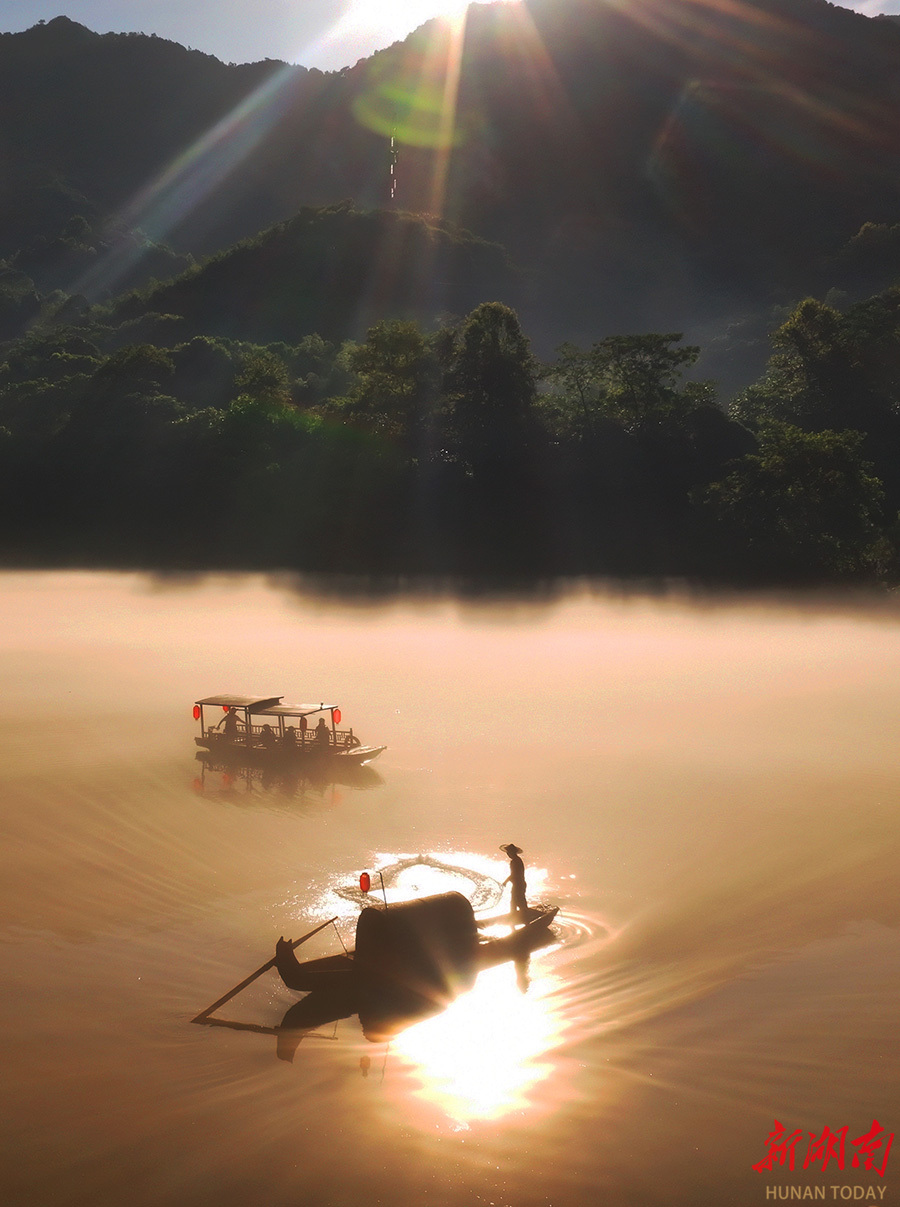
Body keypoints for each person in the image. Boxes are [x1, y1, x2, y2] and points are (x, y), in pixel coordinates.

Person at [500, 843, 528, 922]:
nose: (508, 854)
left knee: (518, 903)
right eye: (507, 852)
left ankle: (524, 921)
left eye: (509, 852)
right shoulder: (517, 860)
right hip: (519, 885)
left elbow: (514, 874)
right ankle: (516, 921)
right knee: (516, 903)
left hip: (519, 885)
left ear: (513, 852)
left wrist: (505, 882)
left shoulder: (515, 861)